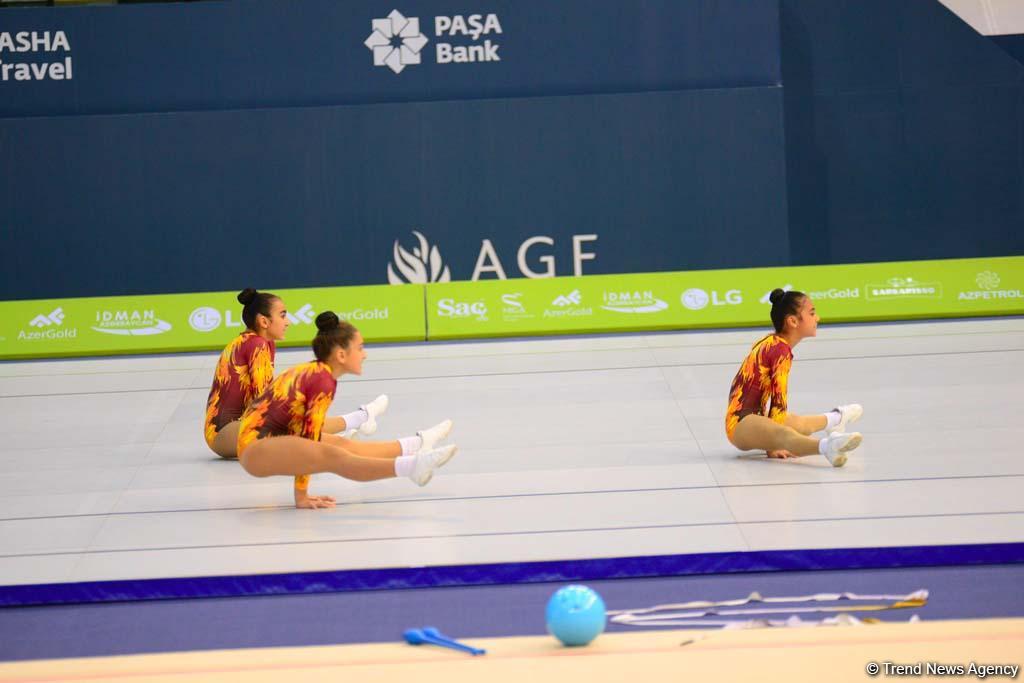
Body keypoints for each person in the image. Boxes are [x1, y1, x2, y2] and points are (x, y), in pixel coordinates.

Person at [237, 311, 457, 509]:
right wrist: (302, 496)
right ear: (341, 355)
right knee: (334, 455)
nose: (365, 355)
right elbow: (309, 441)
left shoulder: (316, 372)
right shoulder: (321, 381)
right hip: (255, 451)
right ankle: (410, 467)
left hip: (266, 443)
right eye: (360, 348)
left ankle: (416, 444)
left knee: (343, 444)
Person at [204, 288, 387, 459]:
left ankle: (357, 422)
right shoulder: (255, 344)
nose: (288, 322)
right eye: (283, 316)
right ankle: (352, 428)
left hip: (236, 429)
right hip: (224, 433)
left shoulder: (264, 343)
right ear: (264, 321)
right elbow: (263, 403)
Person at [725, 288, 863, 467]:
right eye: (812, 313)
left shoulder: (771, 341)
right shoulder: (780, 351)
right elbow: (779, 400)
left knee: (799, 423)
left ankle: (836, 418)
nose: (817, 318)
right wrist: (772, 444)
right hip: (740, 422)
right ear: (792, 321)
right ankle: (827, 447)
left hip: (753, 414)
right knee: (784, 435)